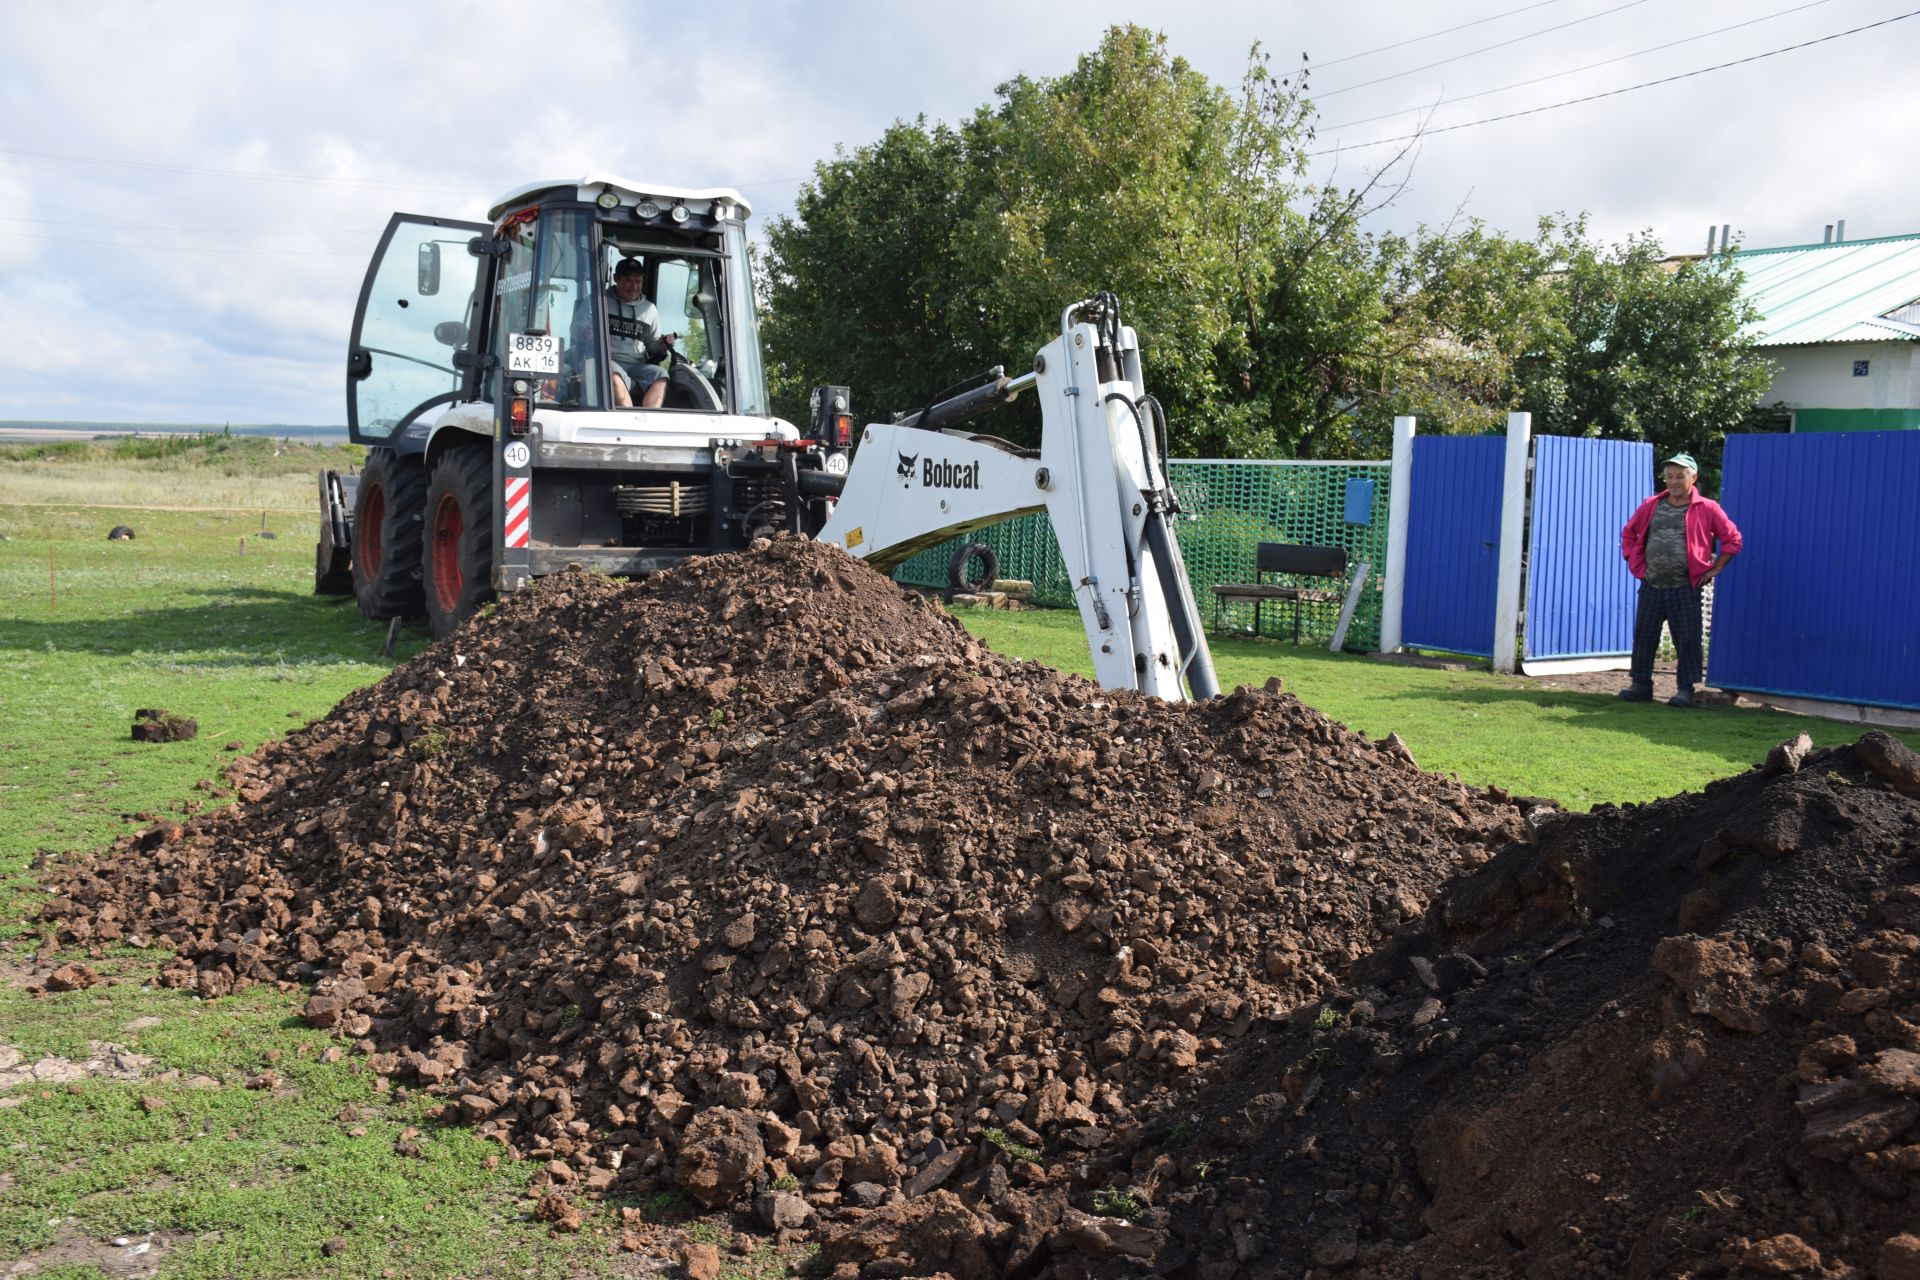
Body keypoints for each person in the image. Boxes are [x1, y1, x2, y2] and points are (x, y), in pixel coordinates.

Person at [1617, 452, 1742, 708]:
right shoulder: (1651, 505)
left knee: (1687, 638)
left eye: (1680, 476)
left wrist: (1715, 568)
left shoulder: (1707, 508)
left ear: (1693, 477)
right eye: (1669, 476)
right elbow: (1629, 533)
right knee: (1645, 636)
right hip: (1652, 584)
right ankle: (1641, 685)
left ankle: (1685, 689)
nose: (1673, 481)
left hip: (1686, 586)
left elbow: (1732, 539)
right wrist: (1636, 563)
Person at [604, 257, 676, 409]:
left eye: (638, 281)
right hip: (608, 360)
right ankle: (629, 422)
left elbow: (652, 346)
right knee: (611, 373)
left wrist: (662, 344)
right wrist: (585, 334)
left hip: (637, 365)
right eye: (628, 281)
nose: (634, 286)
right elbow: (577, 334)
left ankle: (649, 422)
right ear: (616, 279)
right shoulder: (599, 302)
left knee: (661, 375)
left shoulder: (650, 309)